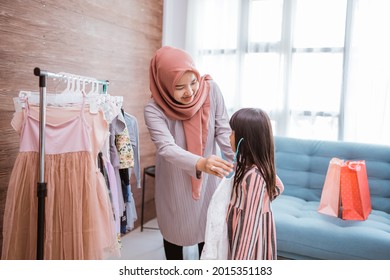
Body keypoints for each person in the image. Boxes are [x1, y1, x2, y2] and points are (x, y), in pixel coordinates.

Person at [144, 46, 234, 260]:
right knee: (174, 234)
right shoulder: (154, 109)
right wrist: (201, 163)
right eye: (179, 87)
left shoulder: (211, 90)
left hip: (210, 178)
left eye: (193, 82)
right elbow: (166, 147)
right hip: (175, 181)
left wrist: (240, 162)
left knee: (209, 234)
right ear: (164, 85)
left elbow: (223, 131)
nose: (190, 92)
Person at [227, 108, 284, 260]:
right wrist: (263, 200)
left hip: (248, 247)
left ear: (244, 139)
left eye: (232, 132)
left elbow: (248, 227)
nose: (229, 137)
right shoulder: (249, 166)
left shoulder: (254, 177)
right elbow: (279, 186)